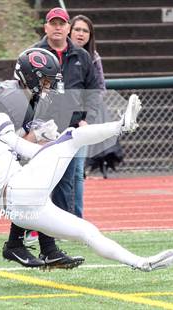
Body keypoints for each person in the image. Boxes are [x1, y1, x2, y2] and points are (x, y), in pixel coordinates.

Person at [0, 96, 173, 273]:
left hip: (17, 210)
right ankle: (123, 125)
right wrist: (48, 139)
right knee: (72, 136)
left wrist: (48, 145)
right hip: (24, 188)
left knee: (86, 231)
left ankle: (141, 263)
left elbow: (12, 160)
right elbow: (28, 150)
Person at [0, 48, 84, 269]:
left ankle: (43, 249)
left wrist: (44, 139)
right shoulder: (14, 98)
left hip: (0, 152)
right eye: (46, 81)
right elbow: (14, 145)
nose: (49, 86)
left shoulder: (25, 93)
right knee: (30, 188)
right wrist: (40, 136)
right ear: (31, 77)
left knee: (37, 183)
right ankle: (22, 246)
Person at [33, 8, 102, 221]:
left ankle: (64, 225)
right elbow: (23, 91)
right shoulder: (34, 54)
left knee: (68, 179)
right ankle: (35, 226)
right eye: (53, 23)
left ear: (67, 28)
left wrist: (87, 120)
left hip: (72, 129)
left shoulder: (82, 56)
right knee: (40, 179)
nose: (57, 27)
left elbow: (94, 91)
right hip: (42, 129)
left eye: (61, 24)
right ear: (46, 27)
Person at [69, 14, 106, 218]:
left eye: (85, 31)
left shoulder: (93, 57)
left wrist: (87, 119)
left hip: (81, 123)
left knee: (77, 173)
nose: (81, 34)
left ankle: (77, 220)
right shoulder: (58, 54)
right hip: (55, 122)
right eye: (77, 29)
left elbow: (99, 89)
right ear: (69, 30)